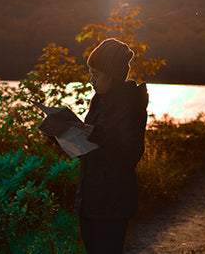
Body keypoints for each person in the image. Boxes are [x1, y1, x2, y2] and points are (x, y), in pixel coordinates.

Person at [76, 38, 149, 254]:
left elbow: (132, 153)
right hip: (89, 199)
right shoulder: (98, 102)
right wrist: (63, 136)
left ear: (113, 76)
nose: (91, 80)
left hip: (112, 203)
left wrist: (100, 136)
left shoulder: (132, 105)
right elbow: (89, 151)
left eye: (96, 75)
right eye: (91, 74)